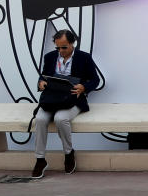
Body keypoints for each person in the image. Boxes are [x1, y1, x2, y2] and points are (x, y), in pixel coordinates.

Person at [31, 29, 101, 178]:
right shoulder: (49, 57)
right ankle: (40, 159)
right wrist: (41, 82)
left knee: (60, 119)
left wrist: (84, 87)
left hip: (73, 98)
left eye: (64, 47)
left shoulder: (84, 57)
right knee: (40, 119)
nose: (61, 51)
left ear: (72, 44)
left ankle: (68, 153)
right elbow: (43, 76)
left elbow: (95, 80)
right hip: (52, 98)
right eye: (58, 47)